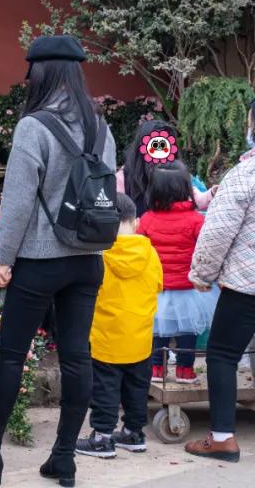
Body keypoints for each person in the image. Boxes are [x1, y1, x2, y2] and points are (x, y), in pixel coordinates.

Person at [0, 35, 116, 488]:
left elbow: (18, 201)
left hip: (40, 260)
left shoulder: (34, 126)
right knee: (77, 357)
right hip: (88, 260)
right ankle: (63, 459)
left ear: (39, 74)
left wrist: (3, 258)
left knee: (10, 355)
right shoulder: (101, 125)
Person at [76, 193, 162, 459]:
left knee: (105, 388)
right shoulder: (150, 254)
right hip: (141, 337)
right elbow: (158, 285)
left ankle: (102, 437)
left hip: (107, 337)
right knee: (137, 388)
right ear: (136, 222)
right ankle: (134, 433)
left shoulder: (100, 255)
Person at [184, 153, 255, 463]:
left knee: (223, 354)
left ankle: (223, 438)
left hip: (247, 280)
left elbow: (219, 230)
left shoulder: (246, 173)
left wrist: (202, 274)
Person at [137, 162, 217, 384]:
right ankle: (185, 370)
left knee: (158, 329)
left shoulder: (146, 220)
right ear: (186, 189)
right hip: (188, 288)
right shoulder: (196, 220)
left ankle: (155, 368)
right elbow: (205, 249)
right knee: (188, 330)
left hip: (157, 288)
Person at [117, 120, 212, 216]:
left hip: (175, 227)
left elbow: (195, 197)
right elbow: (116, 211)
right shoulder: (123, 178)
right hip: (138, 229)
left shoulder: (175, 171)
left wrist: (211, 194)